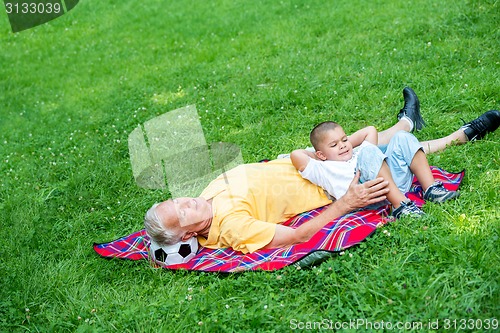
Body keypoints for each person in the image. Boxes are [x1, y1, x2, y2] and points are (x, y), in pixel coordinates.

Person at [144, 87, 500, 253]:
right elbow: (296, 237)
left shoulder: (204, 200)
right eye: (183, 211)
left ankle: (407, 124)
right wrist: (345, 204)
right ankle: (459, 136)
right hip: (330, 180)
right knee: (383, 153)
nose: (189, 200)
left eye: (179, 200)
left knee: (372, 142)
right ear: (188, 235)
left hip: (304, 162)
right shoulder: (231, 228)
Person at [290, 122, 459, 219]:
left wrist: (344, 145)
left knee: (401, 137)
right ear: (320, 154)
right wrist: (321, 156)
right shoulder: (322, 168)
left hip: (393, 185)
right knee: (369, 152)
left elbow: (370, 130)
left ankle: (431, 189)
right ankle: (401, 206)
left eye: (344, 140)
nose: (342, 145)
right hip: (368, 198)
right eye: (334, 145)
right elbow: (296, 154)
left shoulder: (356, 154)